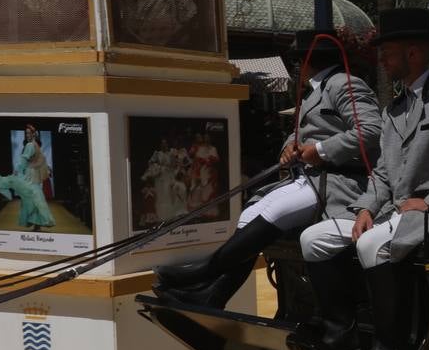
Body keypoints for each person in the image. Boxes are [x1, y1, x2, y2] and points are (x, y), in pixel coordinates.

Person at [299, 9, 429, 350]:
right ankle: (343, 333)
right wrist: (366, 207)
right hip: (392, 211)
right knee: (312, 239)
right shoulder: (393, 108)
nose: (381, 61)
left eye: (388, 53)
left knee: (371, 246)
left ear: (413, 53)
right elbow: (383, 171)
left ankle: (393, 347)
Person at [155, 31, 383, 309]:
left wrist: (319, 151)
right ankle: (214, 294)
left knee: (271, 213)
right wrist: (290, 146)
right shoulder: (316, 91)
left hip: (337, 179)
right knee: (250, 214)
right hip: (307, 177)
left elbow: (370, 131)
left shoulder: (345, 84)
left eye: (296, 63)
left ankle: (205, 272)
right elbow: (302, 133)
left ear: (304, 63)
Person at [13, 125, 55, 231]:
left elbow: (24, 160)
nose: (27, 135)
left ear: (33, 134)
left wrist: (16, 170)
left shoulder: (30, 145)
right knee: (36, 198)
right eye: (26, 133)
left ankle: (38, 223)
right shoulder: (35, 145)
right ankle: (38, 224)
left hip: (30, 175)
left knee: (32, 199)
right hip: (34, 174)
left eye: (29, 133)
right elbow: (41, 160)